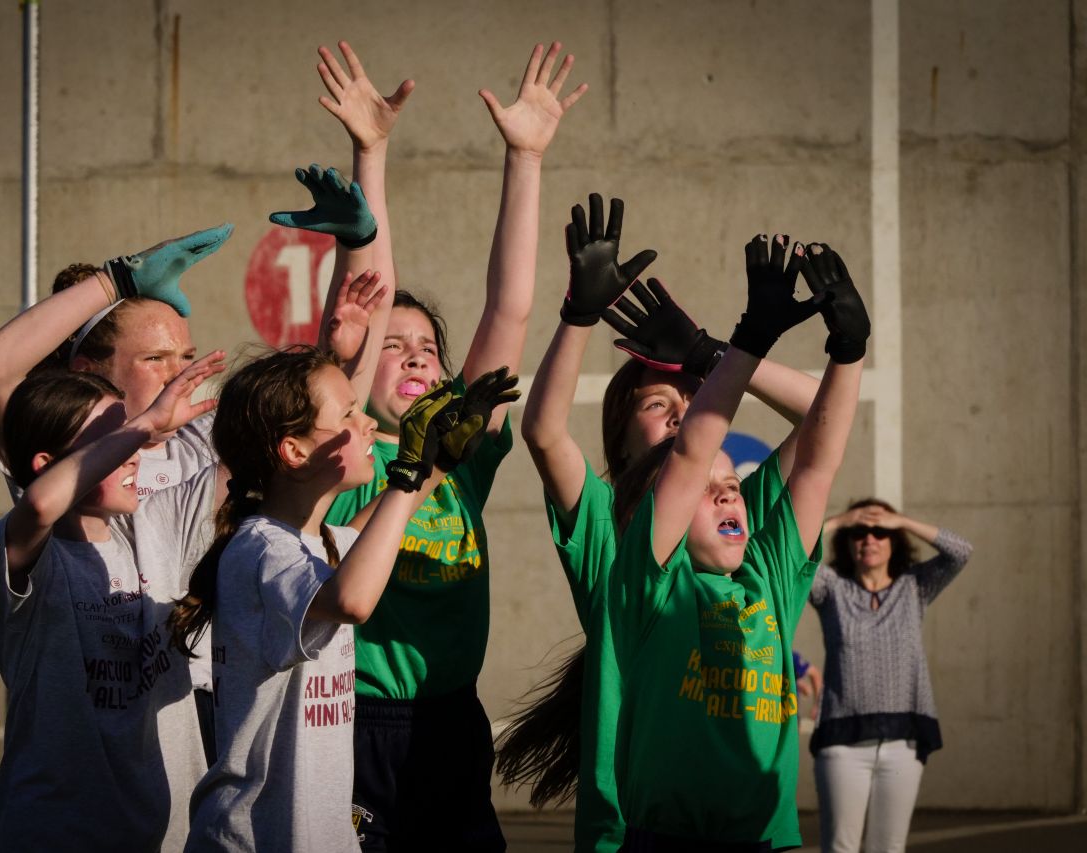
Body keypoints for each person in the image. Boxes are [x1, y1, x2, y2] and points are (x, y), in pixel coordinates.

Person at [302, 39, 585, 851]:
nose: (416, 353)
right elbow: (365, 299)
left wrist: (525, 158)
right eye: (394, 347)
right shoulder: (348, 449)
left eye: (427, 344)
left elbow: (510, 308)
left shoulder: (461, 445)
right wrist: (370, 150)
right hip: (355, 718)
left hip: (451, 718)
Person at [501, 198, 827, 853]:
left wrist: (717, 353)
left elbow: (824, 415)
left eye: (694, 400)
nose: (685, 415)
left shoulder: (738, 511)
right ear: (620, 438)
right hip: (625, 828)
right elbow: (540, 429)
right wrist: (579, 314)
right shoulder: (604, 522)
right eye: (659, 404)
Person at [169, 347, 517, 852]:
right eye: (349, 414)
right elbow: (353, 599)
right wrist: (406, 473)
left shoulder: (321, 542)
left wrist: (436, 465)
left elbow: (365, 538)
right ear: (295, 452)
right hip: (256, 838)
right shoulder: (261, 547)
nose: (368, 423)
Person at [0, 225, 230, 763]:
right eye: (156, 358)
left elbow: (300, 424)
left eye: (187, 357)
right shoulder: (61, 454)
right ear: (88, 370)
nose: (180, 376)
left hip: (189, 708)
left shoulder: (192, 449)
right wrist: (119, 279)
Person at [0, 352, 225, 852]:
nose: (133, 452)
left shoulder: (152, 526)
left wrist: (337, 354)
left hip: (169, 836)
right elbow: (42, 504)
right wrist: (144, 426)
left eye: (129, 436)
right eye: (112, 442)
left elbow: (261, 457)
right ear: (48, 464)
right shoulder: (28, 553)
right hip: (57, 835)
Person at [810, 500, 973, 853]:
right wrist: (839, 520)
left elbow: (961, 552)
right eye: (860, 532)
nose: (869, 538)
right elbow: (792, 553)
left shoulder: (915, 587)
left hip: (904, 742)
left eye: (880, 532)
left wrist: (902, 521)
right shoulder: (831, 589)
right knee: (840, 847)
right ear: (848, 541)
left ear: (894, 541)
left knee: (889, 848)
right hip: (842, 743)